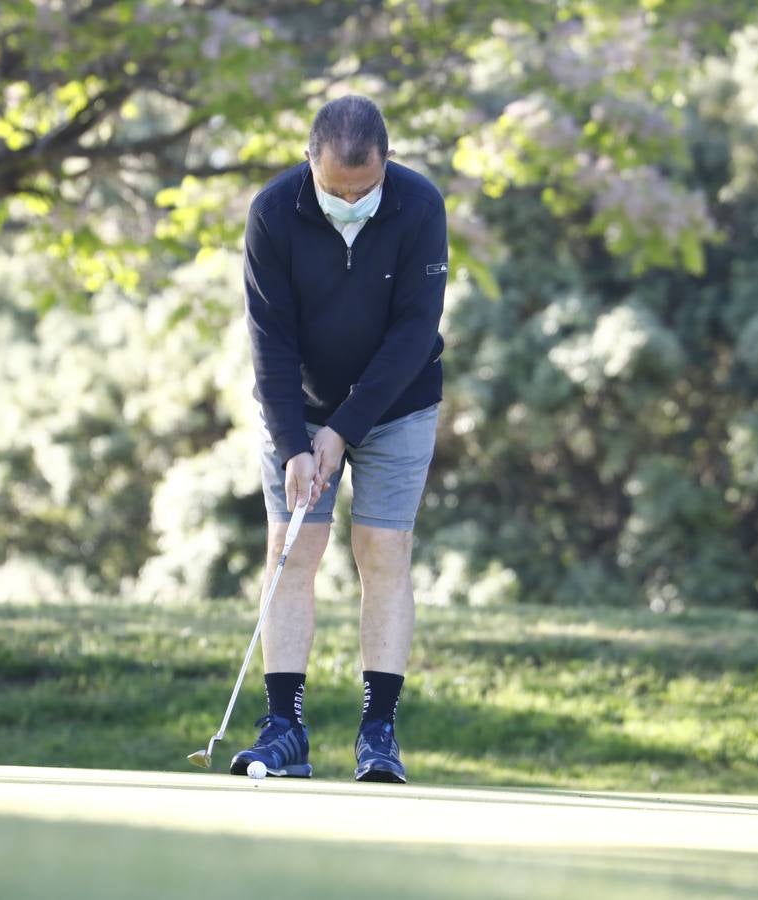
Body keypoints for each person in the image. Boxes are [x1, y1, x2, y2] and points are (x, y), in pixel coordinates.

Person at [234, 95, 448, 782]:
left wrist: (344, 428)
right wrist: (298, 441)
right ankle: (284, 729)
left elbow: (414, 332)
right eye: (336, 190)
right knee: (292, 549)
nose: (352, 201)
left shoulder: (418, 205)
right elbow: (270, 340)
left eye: (365, 190)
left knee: (382, 551)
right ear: (310, 162)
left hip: (396, 404)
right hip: (297, 405)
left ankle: (378, 732)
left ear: (387, 163)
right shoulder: (272, 213)